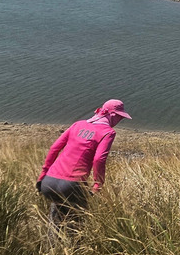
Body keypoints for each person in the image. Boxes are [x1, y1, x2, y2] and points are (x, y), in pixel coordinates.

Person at [37, 99, 131, 235]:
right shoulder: (108, 132)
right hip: (72, 184)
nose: (119, 121)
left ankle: (50, 250)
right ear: (111, 115)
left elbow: (54, 148)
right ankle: (72, 252)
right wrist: (97, 184)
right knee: (76, 225)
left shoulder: (77, 125)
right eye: (119, 117)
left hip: (48, 182)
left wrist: (42, 175)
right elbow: (99, 159)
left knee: (56, 218)